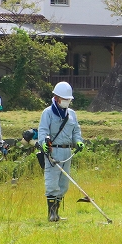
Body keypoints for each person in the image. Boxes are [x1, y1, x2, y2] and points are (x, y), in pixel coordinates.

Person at [38, 81, 84, 222]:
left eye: (68, 99)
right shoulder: (47, 113)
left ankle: (57, 213)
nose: (67, 102)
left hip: (67, 151)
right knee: (52, 182)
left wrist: (78, 141)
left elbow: (76, 131)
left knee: (63, 184)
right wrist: (43, 145)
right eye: (65, 99)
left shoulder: (72, 114)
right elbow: (42, 131)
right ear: (57, 98)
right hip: (53, 151)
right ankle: (51, 214)